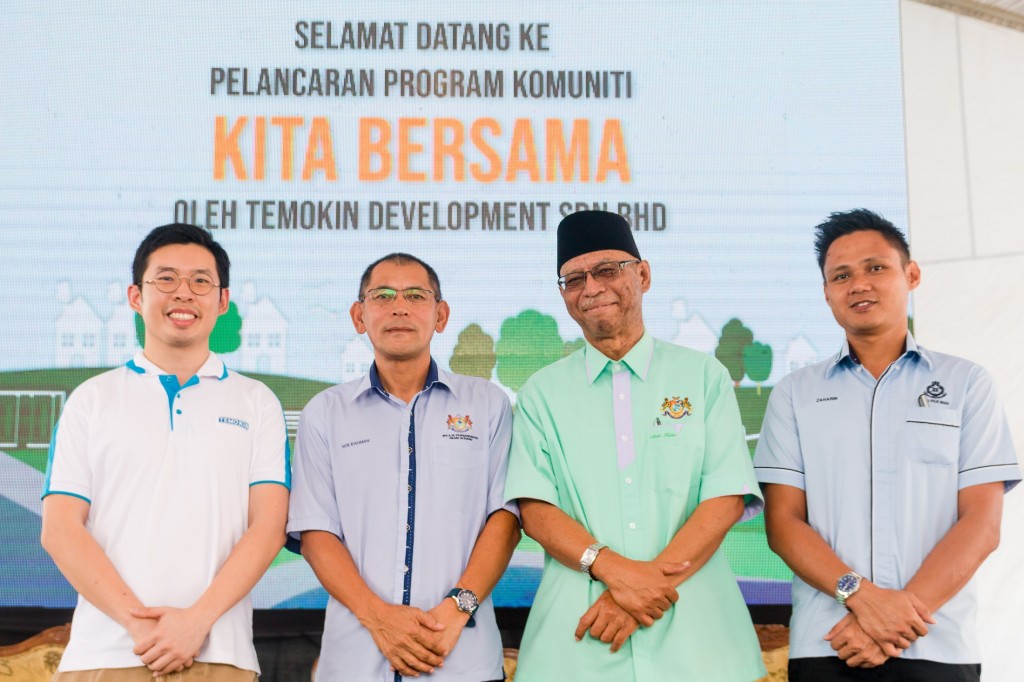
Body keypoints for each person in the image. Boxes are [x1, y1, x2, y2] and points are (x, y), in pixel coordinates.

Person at [754, 208, 1021, 681]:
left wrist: (896, 618)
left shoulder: (966, 384)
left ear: (911, 274)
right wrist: (862, 599)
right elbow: (783, 522)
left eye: (876, 267)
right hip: (828, 644)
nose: (859, 284)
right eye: (842, 275)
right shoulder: (795, 393)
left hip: (939, 645)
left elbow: (982, 522)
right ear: (826, 293)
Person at [503, 210, 767, 681]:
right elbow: (535, 510)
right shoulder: (540, 394)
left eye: (607, 270)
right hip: (579, 646)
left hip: (700, 644)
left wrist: (641, 590)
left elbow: (725, 497)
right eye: (573, 279)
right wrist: (614, 571)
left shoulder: (703, 377)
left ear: (643, 275)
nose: (591, 288)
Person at [41, 223, 290, 680]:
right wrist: (141, 626)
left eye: (201, 281)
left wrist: (195, 622)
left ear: (222, 301)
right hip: (106, 656)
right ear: (136, 296)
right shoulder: (91, 399)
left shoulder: (257, 402)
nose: (184, 293)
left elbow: (269, 526)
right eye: (166, 279)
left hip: (219, 655)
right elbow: (60, 530)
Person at [287, 253, 518, 682]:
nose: (399, 307)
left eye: (416, 295)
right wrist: (379, 619)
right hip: (354, 663)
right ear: (359, 316)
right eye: (383, 296)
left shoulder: (488, 404)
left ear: (441, 314)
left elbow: (505, 519)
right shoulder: (325, 412)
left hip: (461, 659)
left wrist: (456, 611)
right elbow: (316, 532)